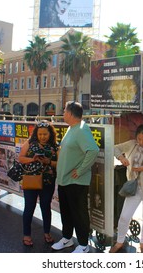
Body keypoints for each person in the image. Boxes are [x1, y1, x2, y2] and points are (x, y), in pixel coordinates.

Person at [51, 101, 99, 253]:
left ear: (71, 113)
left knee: (79, 213)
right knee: (66, 211)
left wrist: (80, 170)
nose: (63, 113)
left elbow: (93, 150)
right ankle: (67, 239)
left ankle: (83, 245)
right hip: (65, 180)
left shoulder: (82, 129)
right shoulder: (71, 128)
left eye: (64, 111)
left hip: (76, 181)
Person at [110, 124, 143, 253]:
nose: (141, 142)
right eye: (139, 138)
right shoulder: (132, 144)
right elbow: (114, 148)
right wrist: (121, 157)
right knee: (124, 216)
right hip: (133, 187)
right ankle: (119, 242)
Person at [18, 120, 59, 247]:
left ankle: (47, 232)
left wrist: (49, 162)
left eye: (45, 134)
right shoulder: (30, 142)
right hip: (31, 180)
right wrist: (32, 159)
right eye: (40, 134)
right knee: (29, 207)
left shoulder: (56, 146)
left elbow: (60, 164)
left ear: (50, 134)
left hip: (48, 182)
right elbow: (20, 158)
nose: (42, 137)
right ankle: (26, 235)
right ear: (36, 133)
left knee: (46, 208)